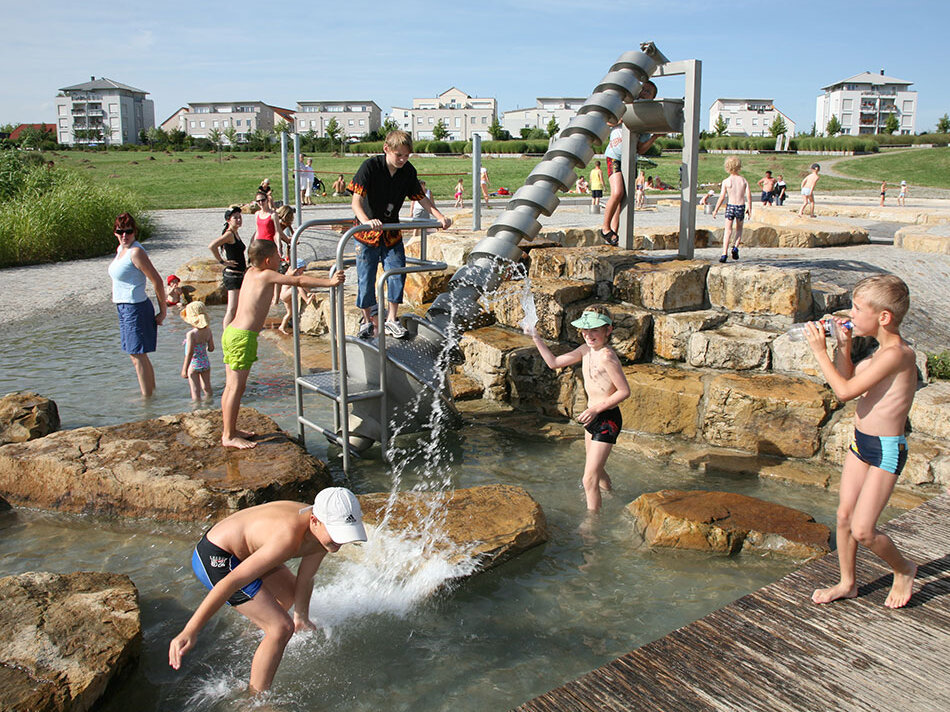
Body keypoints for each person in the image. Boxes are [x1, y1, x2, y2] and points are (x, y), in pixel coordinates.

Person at [168, 487, 368, 694]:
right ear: (315, 521)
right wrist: (191, 630)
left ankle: (259, 629)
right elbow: (230, 583)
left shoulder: (323, 537)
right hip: (217, 557)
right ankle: (255, 699)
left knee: (288, 595)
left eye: (345, 534)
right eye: (337, 534)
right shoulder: (288, 538)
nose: (340, 541)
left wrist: (301, 616)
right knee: (281, 628)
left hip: (244, 551)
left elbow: (306, 576)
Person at [803, 275, 918, 609]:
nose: (850, 313)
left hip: (885, 450)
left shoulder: (897, 354)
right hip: (861, 443)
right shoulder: (881, 352)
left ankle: (904, 569)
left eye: (856, 307)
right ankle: (847, 582)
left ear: (883, 317)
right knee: (843, 517)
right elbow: (849, 377)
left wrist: (818, 351)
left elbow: (843, 391)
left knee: (864, 529)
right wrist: (843, 347)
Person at [220, 239, 344, 448]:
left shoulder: (252, 272)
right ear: (268, 260)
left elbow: (286, 279)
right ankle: (228, 436)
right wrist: (330, 282)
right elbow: (299, 282)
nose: (282, 258)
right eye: (278, 255)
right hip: (243, 338)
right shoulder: (267, 274)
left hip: (232, 332)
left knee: (231, 386)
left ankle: (230, 430)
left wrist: (289, 274)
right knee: (236, 388)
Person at [349, 130, 452, 340]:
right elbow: (356, 202)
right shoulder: (370, 167)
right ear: (386, 149)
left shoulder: (407, 171)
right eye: (399, 155)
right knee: (365, 277)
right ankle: (367, 320)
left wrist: (440, 216)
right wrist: (366, 221)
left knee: (396, 272)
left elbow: (421, 198)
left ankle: (391, 319)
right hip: (366, 234)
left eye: (406, 156)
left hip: (391, 232)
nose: (403, 160)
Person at [525, 306, 629, 513]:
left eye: (595, 331)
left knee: (588, 478)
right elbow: (554, 363)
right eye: (585, 330)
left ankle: (592, 526)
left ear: (608, 330)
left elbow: (624, 391)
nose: (589, 335)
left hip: (607, 418)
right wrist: (535, 336)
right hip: (593, 417)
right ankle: (613, 499)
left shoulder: (607, 357)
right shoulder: (585, 350)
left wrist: (596, 410)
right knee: (597, 473)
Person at [107, 212, 166, 397]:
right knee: (137, 354)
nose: (124, 235)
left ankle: (147, 398)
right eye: (120, 231)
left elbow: (157, 281)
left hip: (136, 307)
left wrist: (162, 311)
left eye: (128, 231)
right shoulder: (120, 250)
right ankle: (150, 391)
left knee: (137, 355)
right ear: (115, 232)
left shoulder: (136, 252)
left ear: (135, 232)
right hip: (124, 307)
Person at [601, 80, 660, 245]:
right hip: (614, 156)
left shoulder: (645, 120)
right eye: (642, 89)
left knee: (624, 198)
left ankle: (614, 233)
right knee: (617, 192)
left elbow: (641, 148)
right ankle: (605, 228)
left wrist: (655, 137)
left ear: (652, 98)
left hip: (630, 159)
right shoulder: (624, 106)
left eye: (648, 92)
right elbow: (608, 121)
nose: (643, 92)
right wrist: (621, 119)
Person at [209, 205, 246, 328]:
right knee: (232, 308)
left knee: (238, 307)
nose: (239, 220)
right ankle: (226, 335)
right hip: (233, 276)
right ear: (228, 220)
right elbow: (212, 246)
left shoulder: (235, 233)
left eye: (240, 217)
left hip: (238, 274)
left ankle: (234, 329)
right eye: (235, 218)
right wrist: (222, 261)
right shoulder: (229, 234)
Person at [712, 156, 751, 263]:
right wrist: (749, 208)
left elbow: (722, 197)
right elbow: (748, 195)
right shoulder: (743, 180)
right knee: (739, 229)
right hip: (740, 206)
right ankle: (735, 247)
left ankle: (724, 253)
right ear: (739, 166)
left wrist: (716, 209)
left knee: (727, 230)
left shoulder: (726, 181)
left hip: (730, 206)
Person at [180, 300, 214, 400]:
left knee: (195, 390)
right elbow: (211, 348)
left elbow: (189, 353)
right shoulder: (208, 331)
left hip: (194, 364)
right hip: (205, 363)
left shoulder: (191, 334)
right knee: (207, 387)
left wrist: (184, 369)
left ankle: (197, 409)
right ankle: (210, 404)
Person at [278, 260, 318, 335]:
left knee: (289, 313)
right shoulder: (293, 274)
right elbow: (301, 284)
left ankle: (282, 327)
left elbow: (304, 285)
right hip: (285, 294)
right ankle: (307, 300)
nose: (302, 272)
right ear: (297, 268)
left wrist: (309, 291)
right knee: (298, 287)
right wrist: (308, 293)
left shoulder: (294, 273)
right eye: (302, 270)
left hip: (285, 295)